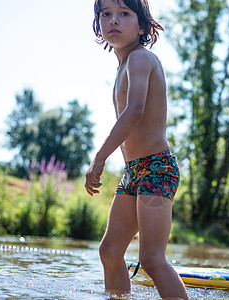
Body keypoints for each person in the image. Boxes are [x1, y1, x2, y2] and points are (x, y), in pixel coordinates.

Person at [85, 0, 188, 299]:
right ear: (98, 23)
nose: (113, 21)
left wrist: (100, 157)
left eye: (124, 14)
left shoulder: (141, 58)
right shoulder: (122, 67)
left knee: (152, 259)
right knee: (109, 251)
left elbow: (135, 112)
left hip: (157, 168)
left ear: (142, 26)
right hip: (134, 172)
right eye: (106, 14)